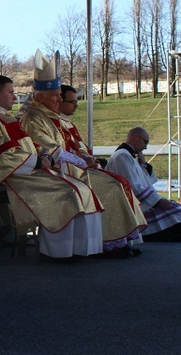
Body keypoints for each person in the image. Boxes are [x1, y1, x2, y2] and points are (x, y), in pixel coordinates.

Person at [20, 52, 145, 257]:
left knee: (117, 181)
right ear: (41, 96)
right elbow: (47, 147)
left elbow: (70, 144)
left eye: (60, 95)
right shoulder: (34, 117)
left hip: (72, 168)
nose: (59, 99)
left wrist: (85, 157)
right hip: (54, 170)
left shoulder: (51, 115)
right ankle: (108, 244)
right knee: (111, 186)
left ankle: (112, 242)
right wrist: (79, 160)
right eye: (56, 95)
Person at [0, 74, 103, 259]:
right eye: (11, 92)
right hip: (13, 177)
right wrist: (38, 162)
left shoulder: (6, 118)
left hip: (29, 170)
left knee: (81, 188)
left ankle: (78, 248)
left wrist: (44, 155)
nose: (14, 97)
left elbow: (29, 145)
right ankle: (57, 252)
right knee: (67, 191)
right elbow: (3, 155)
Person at [106, 127, 181, 241]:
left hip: (143, 204)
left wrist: (143, 165)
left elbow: (145, 181)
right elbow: (132, 186)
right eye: (145, 142)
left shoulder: (127, 156)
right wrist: (158, 201)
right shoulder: (122, 156)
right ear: (135, 137)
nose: (145, 147)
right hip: (136, 209)